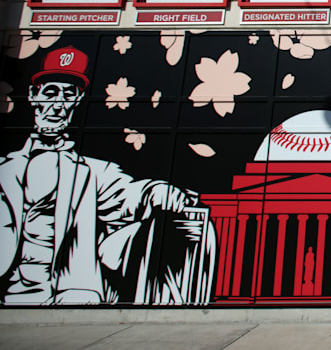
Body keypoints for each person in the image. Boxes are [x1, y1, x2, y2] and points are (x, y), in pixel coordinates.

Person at [0, 46, 212, 305]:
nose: (57, 105)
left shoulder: (94, 171)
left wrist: (156, 190)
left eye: (68, 95)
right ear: (34, 95)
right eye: (51, 92)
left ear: (78, 101)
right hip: (9, 288)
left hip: (66, 294)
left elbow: (129, 195)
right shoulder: (4, 168)